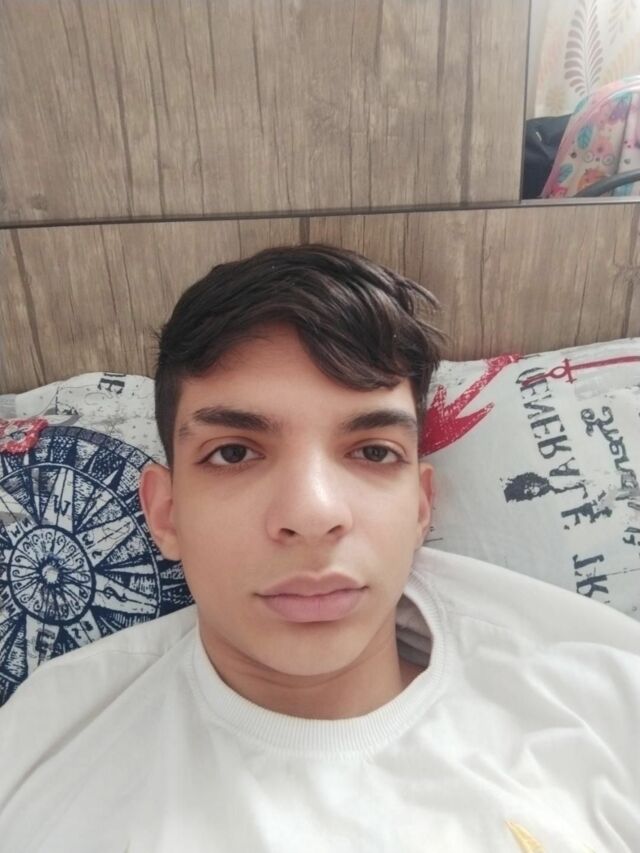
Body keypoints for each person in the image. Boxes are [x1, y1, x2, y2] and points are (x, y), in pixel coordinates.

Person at [0, 244, 639, 852]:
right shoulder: (40, 750)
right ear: (166, 513)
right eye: (233, 453)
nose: (312, 515)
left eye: (373, 452)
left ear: (420, 509)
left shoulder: (603, 713)